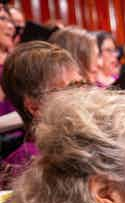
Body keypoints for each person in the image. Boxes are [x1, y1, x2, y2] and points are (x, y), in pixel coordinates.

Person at [0, 41, 82, 179]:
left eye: (81, 84)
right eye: (70, 89)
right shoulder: (25, 166)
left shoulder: (82, 140)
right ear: (35, 107)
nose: (83, 94)